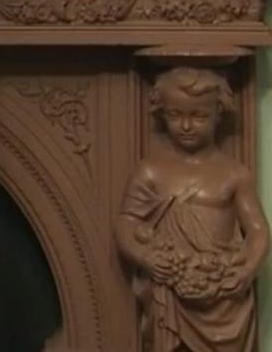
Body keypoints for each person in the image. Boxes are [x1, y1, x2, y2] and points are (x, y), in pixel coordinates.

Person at [115, 66, 268, 351]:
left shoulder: (235, 174)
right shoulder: (150, 172)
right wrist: (146, 257)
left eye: (198, 116)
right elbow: (126, 223)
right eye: (175, 115)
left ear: (218, 114)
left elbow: (258, 230)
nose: (186, 126)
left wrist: (246, 271)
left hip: (223, 294)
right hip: (170, 293)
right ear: (163, 113)